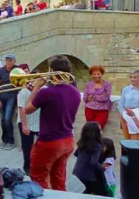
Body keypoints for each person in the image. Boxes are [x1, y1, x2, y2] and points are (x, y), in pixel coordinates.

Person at [22, 55, 81, 190]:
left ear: (51, 70)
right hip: (67, 140)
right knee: (59, 179)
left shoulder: (46, 92)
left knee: (38, 178)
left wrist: (36, 87)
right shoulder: (76, 92)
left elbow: (27, 109)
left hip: (49, 142)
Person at [72, 122, 109, 196]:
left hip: (78, 172)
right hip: (89, 175)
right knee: (103, 193)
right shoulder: (97, 145)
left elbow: (76, 154)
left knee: (89, 189)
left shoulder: (82, 142)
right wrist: (102, 168)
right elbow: (94, 162)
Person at [17, 68, 41, 175]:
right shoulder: (24, 90)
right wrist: (24, 125)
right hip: (26, 121)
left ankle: (37, 165)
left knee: (40, 147)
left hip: (39, 122)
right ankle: (27, 167)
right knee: (27, 148)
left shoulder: (44, 89)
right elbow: (22, 108)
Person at [0, 54, 18, 150]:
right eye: (7, 60)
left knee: (8, 118)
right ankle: (4, 140)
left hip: (12, 96)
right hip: (2, 96)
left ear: (14, 61)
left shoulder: (17, 70)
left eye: (10, 60)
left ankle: (11, 141)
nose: (8, 62)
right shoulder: (1, 70)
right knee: (2, 120)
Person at [84, 65, 113, 130]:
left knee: (98, 129)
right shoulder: (88, 84)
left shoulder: (107, 84)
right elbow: (85, 98)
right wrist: (88, 98)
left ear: (102, 74)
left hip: (102, 110)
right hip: (89, 110)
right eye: (94, 74)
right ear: (91, 75)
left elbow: (105, 98)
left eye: (98, 74)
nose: (96, 76)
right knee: (90, 130)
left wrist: (92, 97)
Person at [117, 70, 139, 140]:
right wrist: (122, 113)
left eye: (135, 77)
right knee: (126, 138)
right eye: (131, 77)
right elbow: (120, 103)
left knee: (135, 138)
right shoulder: (126, 89)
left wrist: (134, 111)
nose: (132, 79)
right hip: (125, 116)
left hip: (137, 118)